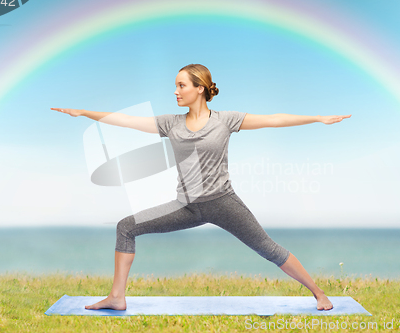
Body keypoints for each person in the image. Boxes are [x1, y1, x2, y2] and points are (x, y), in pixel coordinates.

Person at [51, 64, 351, 311]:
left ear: (201, 89)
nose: (176, 91)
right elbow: (128, 120)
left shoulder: (225, 121)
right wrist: (85, 113)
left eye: (182, 85)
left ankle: (319, 293)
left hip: (223, 202)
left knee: (268, 249)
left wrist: (317, 118)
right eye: (176, 85)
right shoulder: (171, 124)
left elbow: (273, 120)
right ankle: (117, 297)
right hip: (186, 206)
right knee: (126, 227)